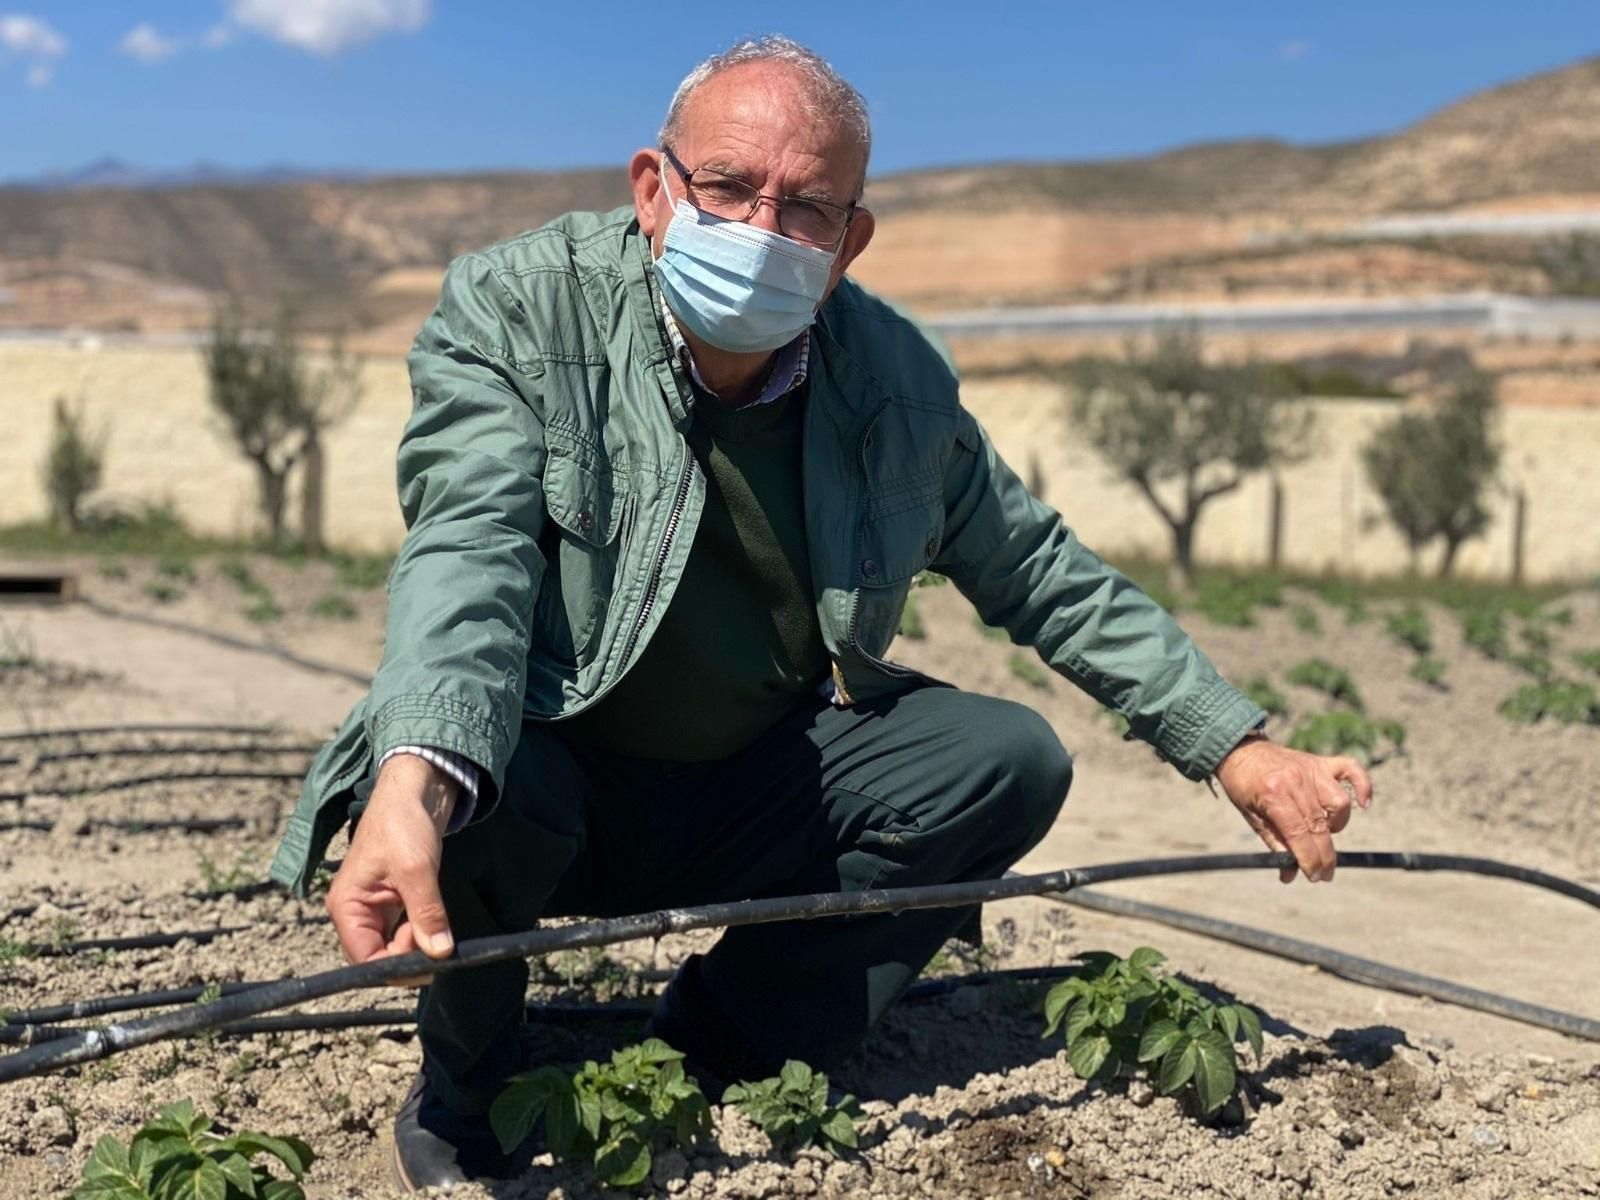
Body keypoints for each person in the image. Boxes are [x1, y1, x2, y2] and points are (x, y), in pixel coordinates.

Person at [268, 36, 1372, 1191]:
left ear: (850, 243)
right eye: (729, 189)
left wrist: (1234, 747)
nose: (759, 232)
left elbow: (1036, 568)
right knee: (469, 767)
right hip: (557, 776)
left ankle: (723, 1047)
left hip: (753, 780)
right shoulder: (519, 312)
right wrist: (412, 781)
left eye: (805, 209)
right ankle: (473, 1087)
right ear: (655, 190)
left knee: (1003, 761)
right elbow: (468, 551)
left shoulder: (890, 381)